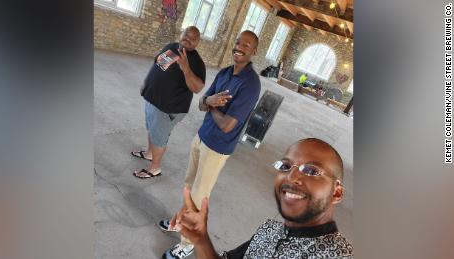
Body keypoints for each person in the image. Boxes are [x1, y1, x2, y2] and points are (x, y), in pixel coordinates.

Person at [160, 30, 262, 259]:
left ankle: (187, 244)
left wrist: (212, 104)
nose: (239, 46)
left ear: (254, 51)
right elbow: (201, 102)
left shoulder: (250, 84)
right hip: (201, 137)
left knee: (198, 196)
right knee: (189, 187)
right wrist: (209, 101)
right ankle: (178, 222)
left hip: (217, 148)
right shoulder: (226, 72)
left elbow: (227, 125)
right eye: (237, 41)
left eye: (246, 44)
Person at [170, 138, 353, 259]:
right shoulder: (269, 229)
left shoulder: (337, 255)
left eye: (312, 171)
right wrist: (201, 239)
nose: (291, 177)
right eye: (286, 166)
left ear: (336, 193)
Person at [132, 26, 206, 179]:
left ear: (197, 42)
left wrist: (186, 69)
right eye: (186, 35)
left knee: (159, 136)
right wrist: (146, 83)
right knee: (152, 128)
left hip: (169, 107)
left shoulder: (197, 62)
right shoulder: (171, 47)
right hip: (152, 98)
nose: (188, 39)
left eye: (193, 38)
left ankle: (154, 168)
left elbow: (197, 87)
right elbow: (157, 65)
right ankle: (149, 153)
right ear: (181, 34)